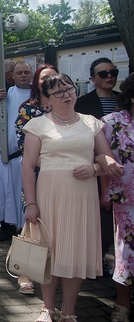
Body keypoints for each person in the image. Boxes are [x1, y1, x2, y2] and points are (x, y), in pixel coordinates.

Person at [22, 73, 122, 322]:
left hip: (82, 195)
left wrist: (94, 169)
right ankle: (47, 307)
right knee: (50, 251)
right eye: (58, 92)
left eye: (69, 89)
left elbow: (106, 158)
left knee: (75, 252)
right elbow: (27, 167)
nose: (66, 95)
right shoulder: (37, 125)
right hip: (50, 194)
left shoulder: (91, 123)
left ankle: (69, 310)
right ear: (47, 99)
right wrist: (31, 203)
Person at [10, 64, 59, 296]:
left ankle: (54, 270)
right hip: (36, 174)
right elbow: (23, 143)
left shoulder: (64, 106)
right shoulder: (28, 109)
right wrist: (50, 164)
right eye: (44, 78)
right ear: (36, 81)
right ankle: (25, 271)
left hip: (64, 178)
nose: (49, 81)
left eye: (53, 77)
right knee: (32, 223)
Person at [75, 57, 120, 276]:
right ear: (93, 79)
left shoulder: (124, 101)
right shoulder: (83, 104)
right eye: (103, 74)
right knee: (101, 216)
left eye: (113, 72)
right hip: (94, 168)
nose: (109, 76)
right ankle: (97, 259)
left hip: (122, 167)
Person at [0, 61, 33, 242]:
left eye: (26, 72)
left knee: (26, 193)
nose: (23, 75)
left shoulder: (37, 96)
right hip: (6, 155)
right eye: (19, 72)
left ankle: (25, 229)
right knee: (5, 192)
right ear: (12, 75)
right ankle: (6, 227)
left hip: (28, 156)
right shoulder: (6, 95)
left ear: (31, 75)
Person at [102, 72, 134, 322]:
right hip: (126, 200)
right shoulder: (112, 122)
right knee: (126, 252)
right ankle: (122, 304)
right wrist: (104, 190)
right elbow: (99, 158)